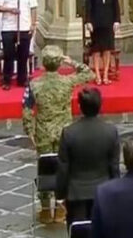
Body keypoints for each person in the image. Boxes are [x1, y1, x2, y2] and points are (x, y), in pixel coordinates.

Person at [56, 87, 120, 238]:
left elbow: (64, 168)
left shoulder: (69, 133)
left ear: (80, 107)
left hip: (76, 194)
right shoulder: (110, 132)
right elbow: (114, 168)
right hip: (102, 193)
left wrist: (59, 194)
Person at [22, 45, 94, 223]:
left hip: (43, 131)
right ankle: (61, 207)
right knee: (64, 169)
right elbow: (89, 73)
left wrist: (29, 130)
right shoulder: (67, 81)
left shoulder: (34, 84)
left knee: (45, 168)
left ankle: (46, 209)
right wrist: (72, 62)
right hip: (64, 132)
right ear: (58, 62)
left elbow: (26, 108)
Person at [85, 0, 121, 85]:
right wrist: (88, 21)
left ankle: (105, 75)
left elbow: (116, 5)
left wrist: (117, 21)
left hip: (109, 22)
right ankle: (97, 75)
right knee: (96, 50)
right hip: (95, 23)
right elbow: (87, 6)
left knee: (107, 50)